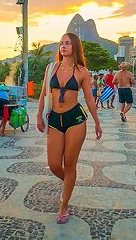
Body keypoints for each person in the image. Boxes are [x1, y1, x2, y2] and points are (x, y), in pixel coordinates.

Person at [37, 32, 102, 224]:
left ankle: (63, 205)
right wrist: (39, 116)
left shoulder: (82, 71)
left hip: (75, 119)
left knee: (70, 163)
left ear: (74, 46)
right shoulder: (51, 68)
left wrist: (97, 122)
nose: (63, 46)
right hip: (55, 119)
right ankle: (70, 182)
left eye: (67, 43)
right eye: (60, 43)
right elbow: (43, 94)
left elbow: (89, 98)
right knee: (55, 164)